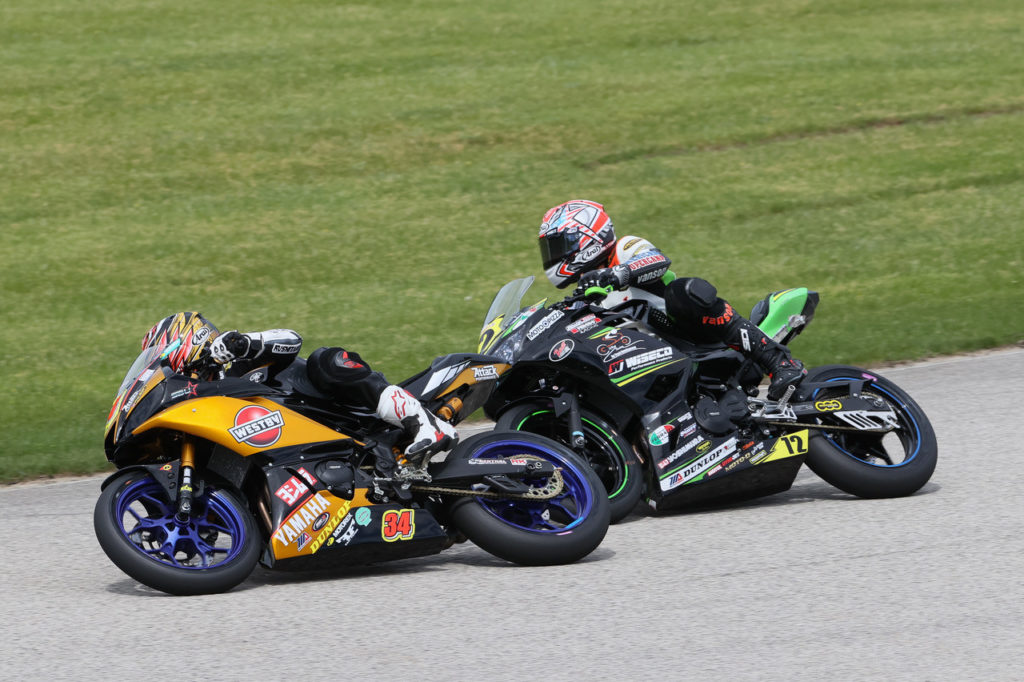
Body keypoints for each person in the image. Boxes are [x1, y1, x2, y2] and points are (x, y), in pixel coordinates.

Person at [537, 199, 806, 400]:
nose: (555, 254)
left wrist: (619, 274)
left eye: (562, 245)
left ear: (589, 238)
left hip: (691, 332)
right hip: (654, 360)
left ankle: (779, 362)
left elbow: (657, 260)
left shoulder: (624, 248)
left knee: (683, 291)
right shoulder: (585, 291)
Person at [139, 312, 458, 471]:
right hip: (309, 450)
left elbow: (291, 339)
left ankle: (423, 422)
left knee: (326, 359)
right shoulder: (203, 402)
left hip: (341, 408)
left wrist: (243, 344)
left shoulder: (237, 359)